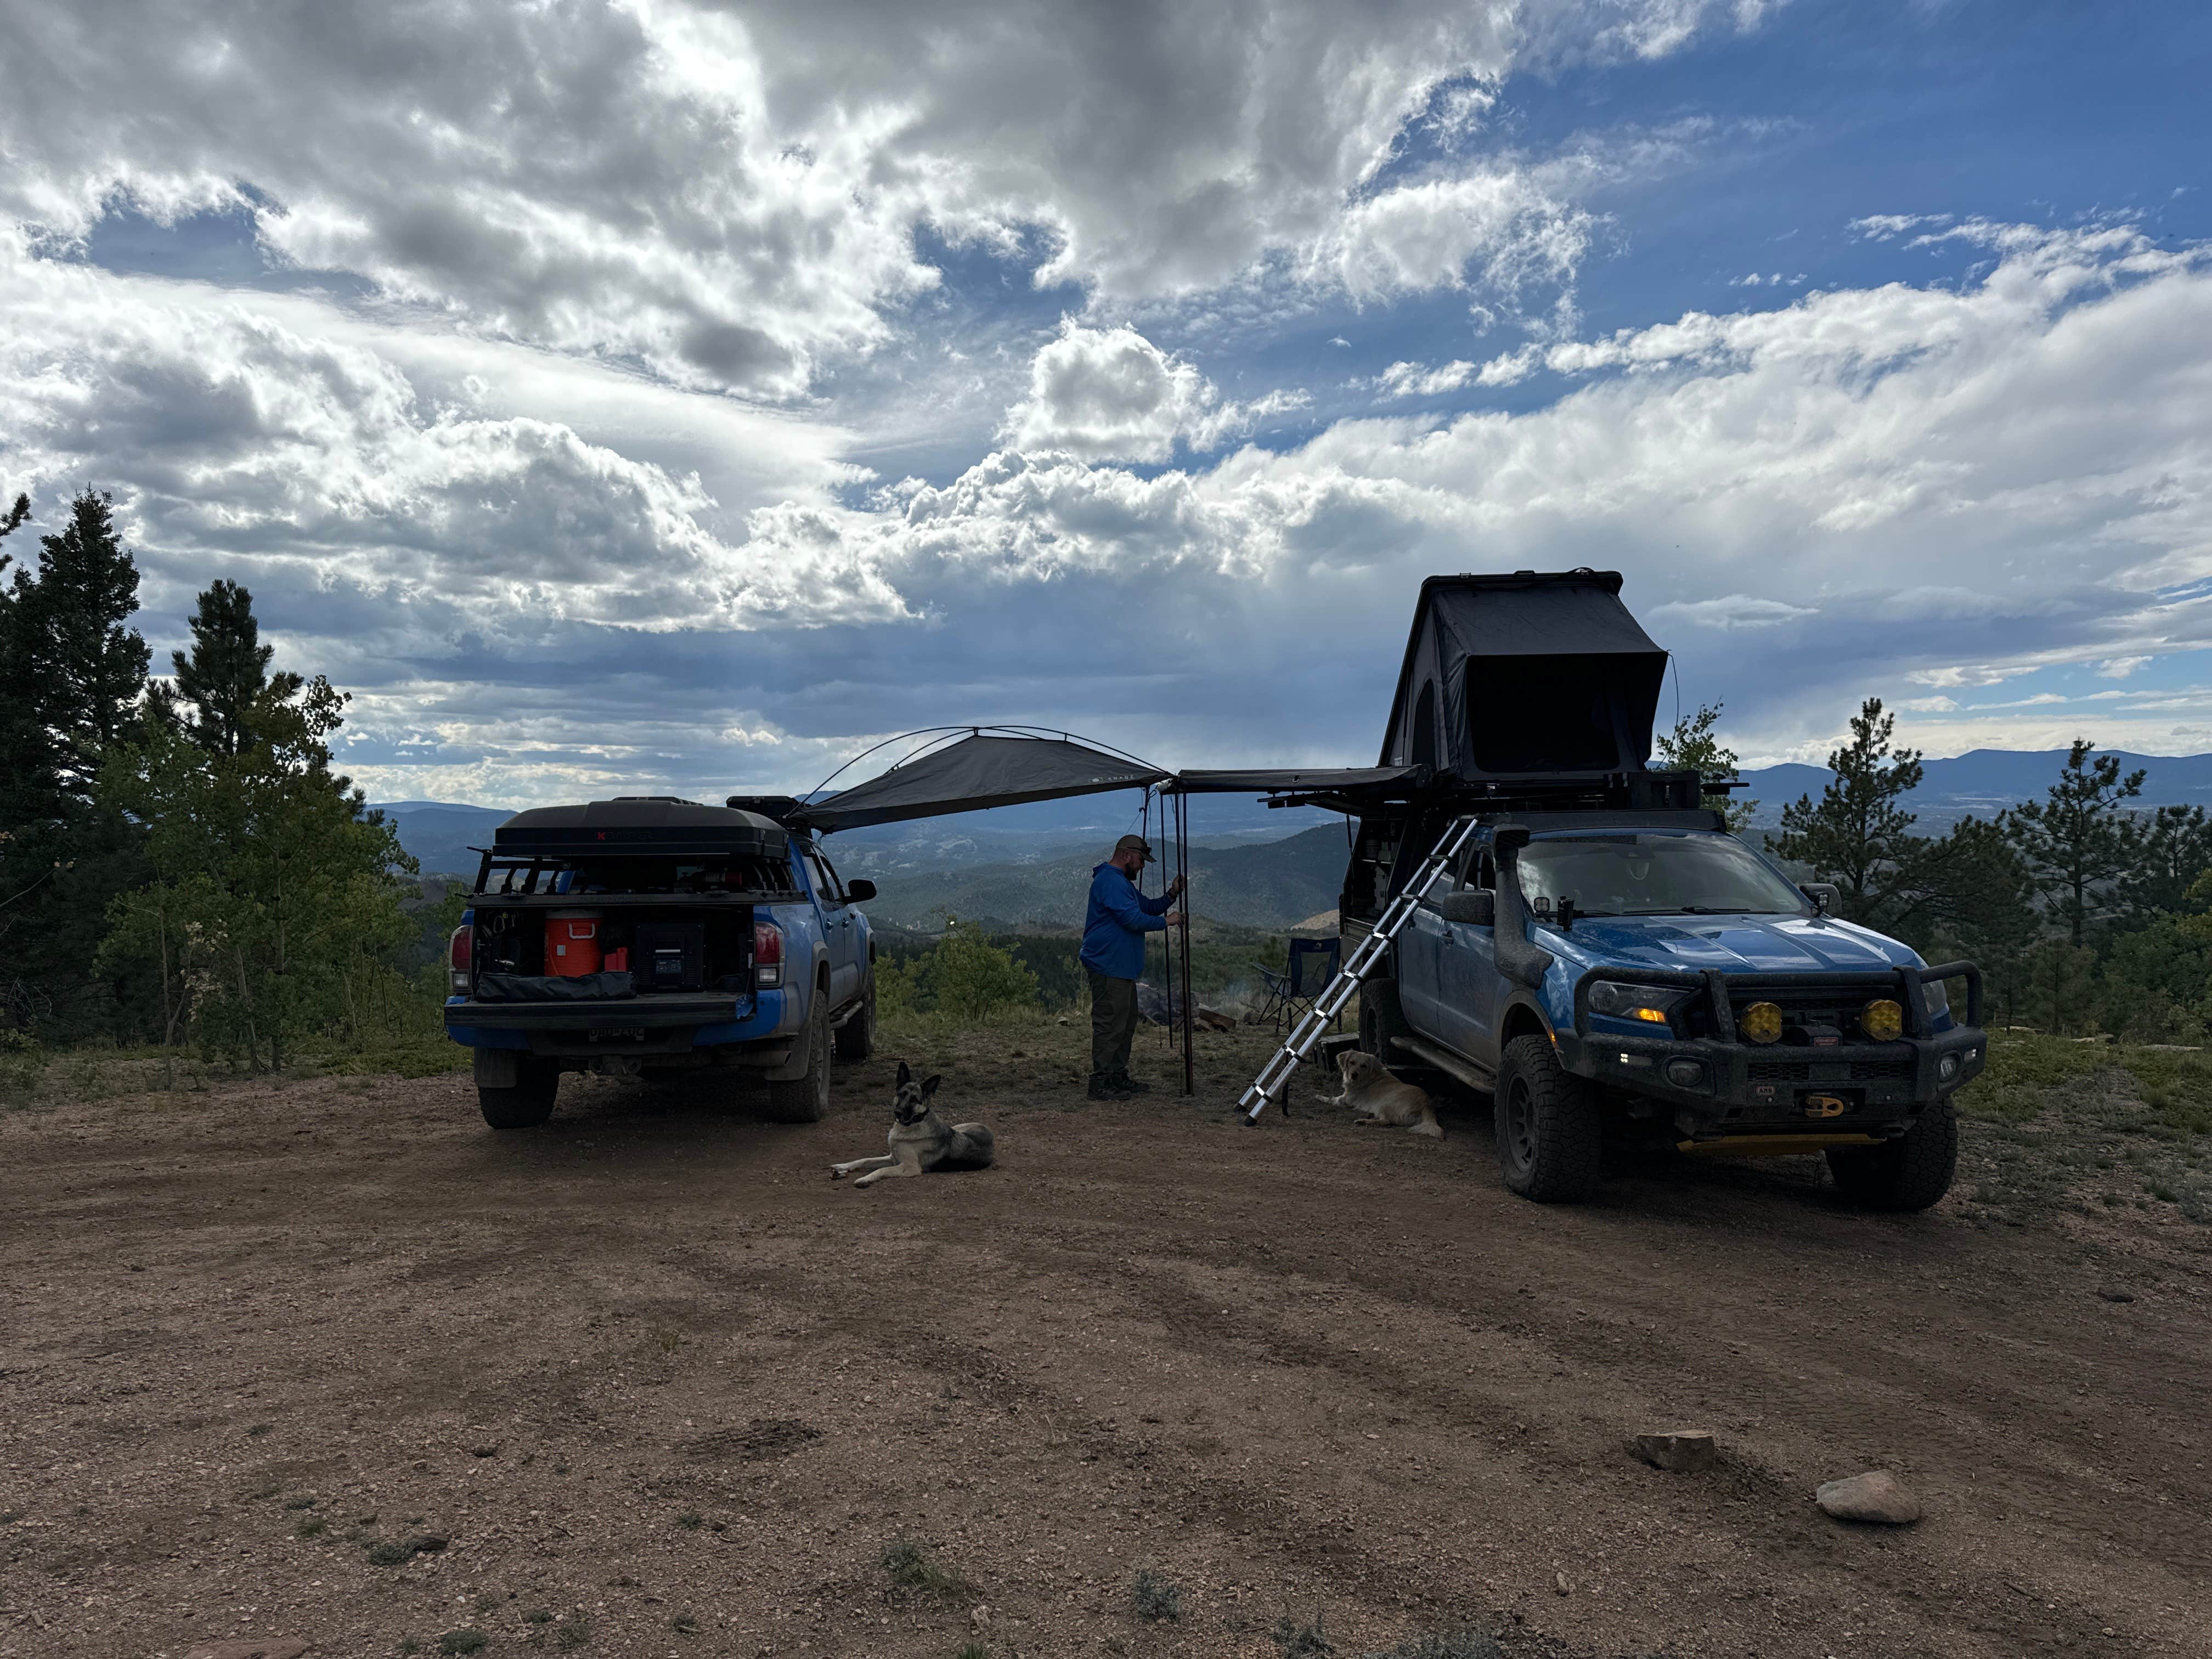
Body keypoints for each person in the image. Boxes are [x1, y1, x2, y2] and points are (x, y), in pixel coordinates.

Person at [1079, 833, 1185, 1099]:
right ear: (1127, 855)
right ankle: (1101, 1082)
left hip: (1120, 967)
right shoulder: (1110, 882)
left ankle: (1117, 1075)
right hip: (1108, 965)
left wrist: (1171, 894)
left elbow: (1147, 908)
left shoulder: (1121, 883)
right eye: (1140, 860)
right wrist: (1167, 922)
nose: (1142, 865)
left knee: (1124, 1023)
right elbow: (1132, 920)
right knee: (1110, 1023)